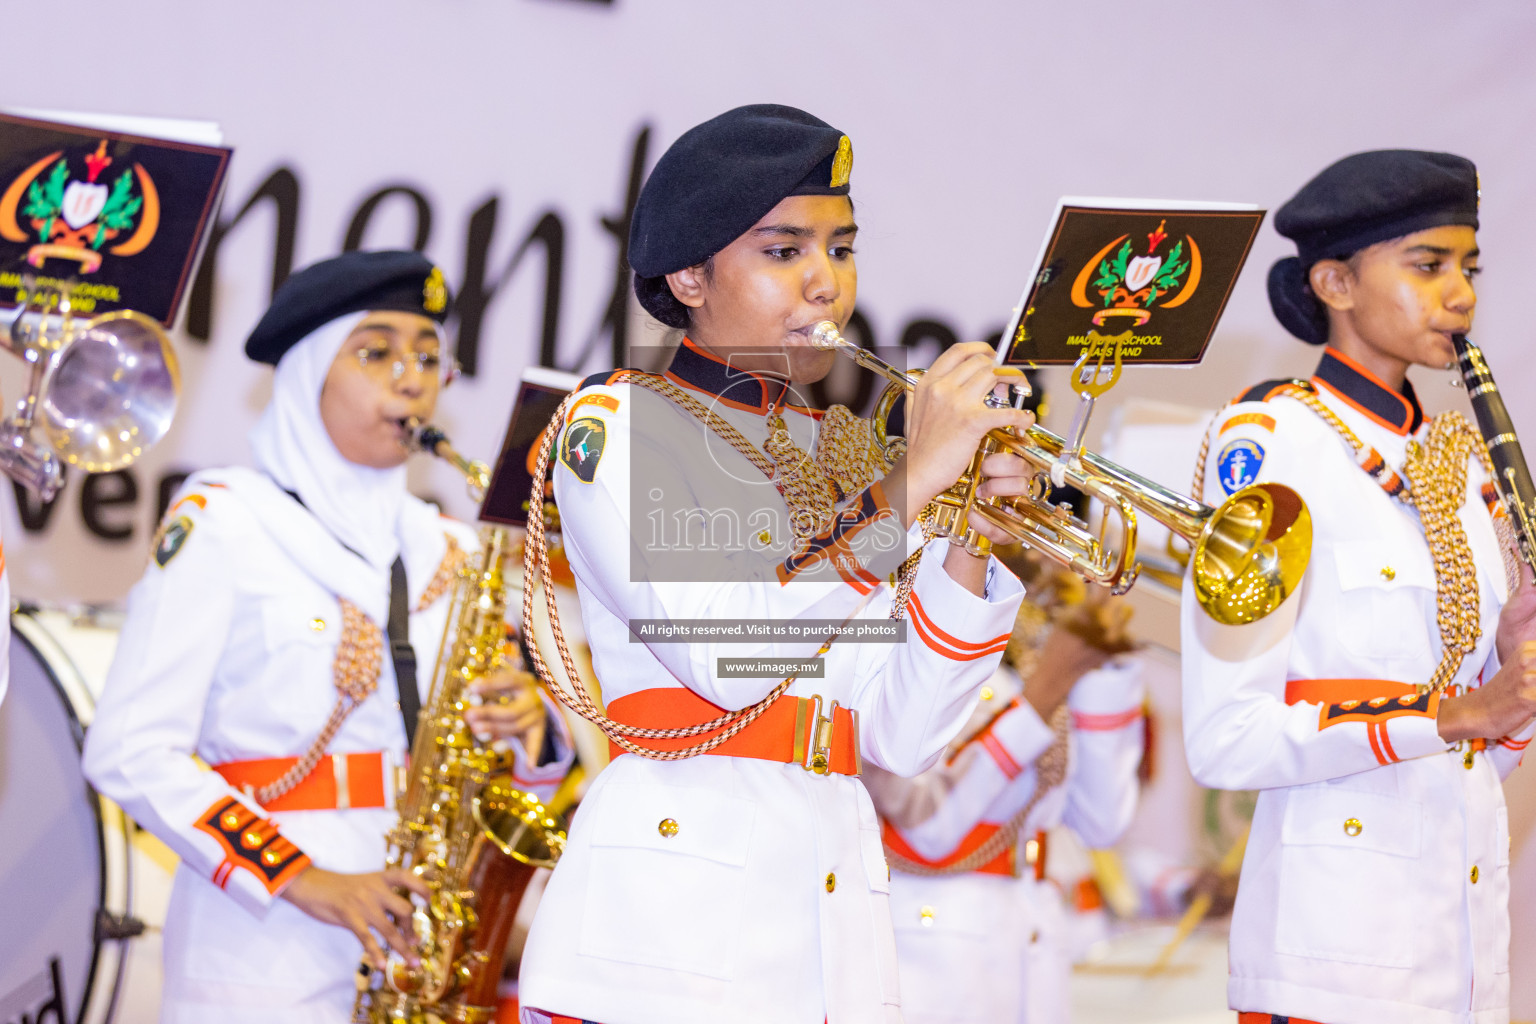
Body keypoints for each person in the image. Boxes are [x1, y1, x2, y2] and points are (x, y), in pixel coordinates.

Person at [516, 104, 1035, 1024]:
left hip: (831, 922)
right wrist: (913, 485)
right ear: (689, 275)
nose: (826, 283)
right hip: (668, 935)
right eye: (784, 250)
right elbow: (724, 652)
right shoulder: (620, 424)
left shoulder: (848, 461)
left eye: (841, 249)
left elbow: (903, 735)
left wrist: (970, 530)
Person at [83, 250, 571, 1024]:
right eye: (374, 352)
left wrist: (531, 735)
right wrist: (300, 876)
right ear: (309, 373)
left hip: (418, 949)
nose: (410, 377)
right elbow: (128, 749)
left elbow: (505, 778)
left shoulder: (453, 546)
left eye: (427, 356)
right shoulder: (225, 521)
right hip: (262, 943)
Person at [1182, 151, 1536, 1024]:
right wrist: (1456, 714)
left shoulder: (1464, 465)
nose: (1460, 294)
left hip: (1460, 955)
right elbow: (1228, 739)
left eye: (1469, 268)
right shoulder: (1269, 442)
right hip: (1329, 956)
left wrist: (1510, 667)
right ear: (1335, 282)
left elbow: (1482, 747)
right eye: (1428, 265)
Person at [866, 552, 1144, 1024]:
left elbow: (1101, 824)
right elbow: (924, 827)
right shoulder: (909, 609)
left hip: (1034, 940)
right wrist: (1044, 693)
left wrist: (1099, 669)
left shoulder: (1045, 639)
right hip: (937, 954)